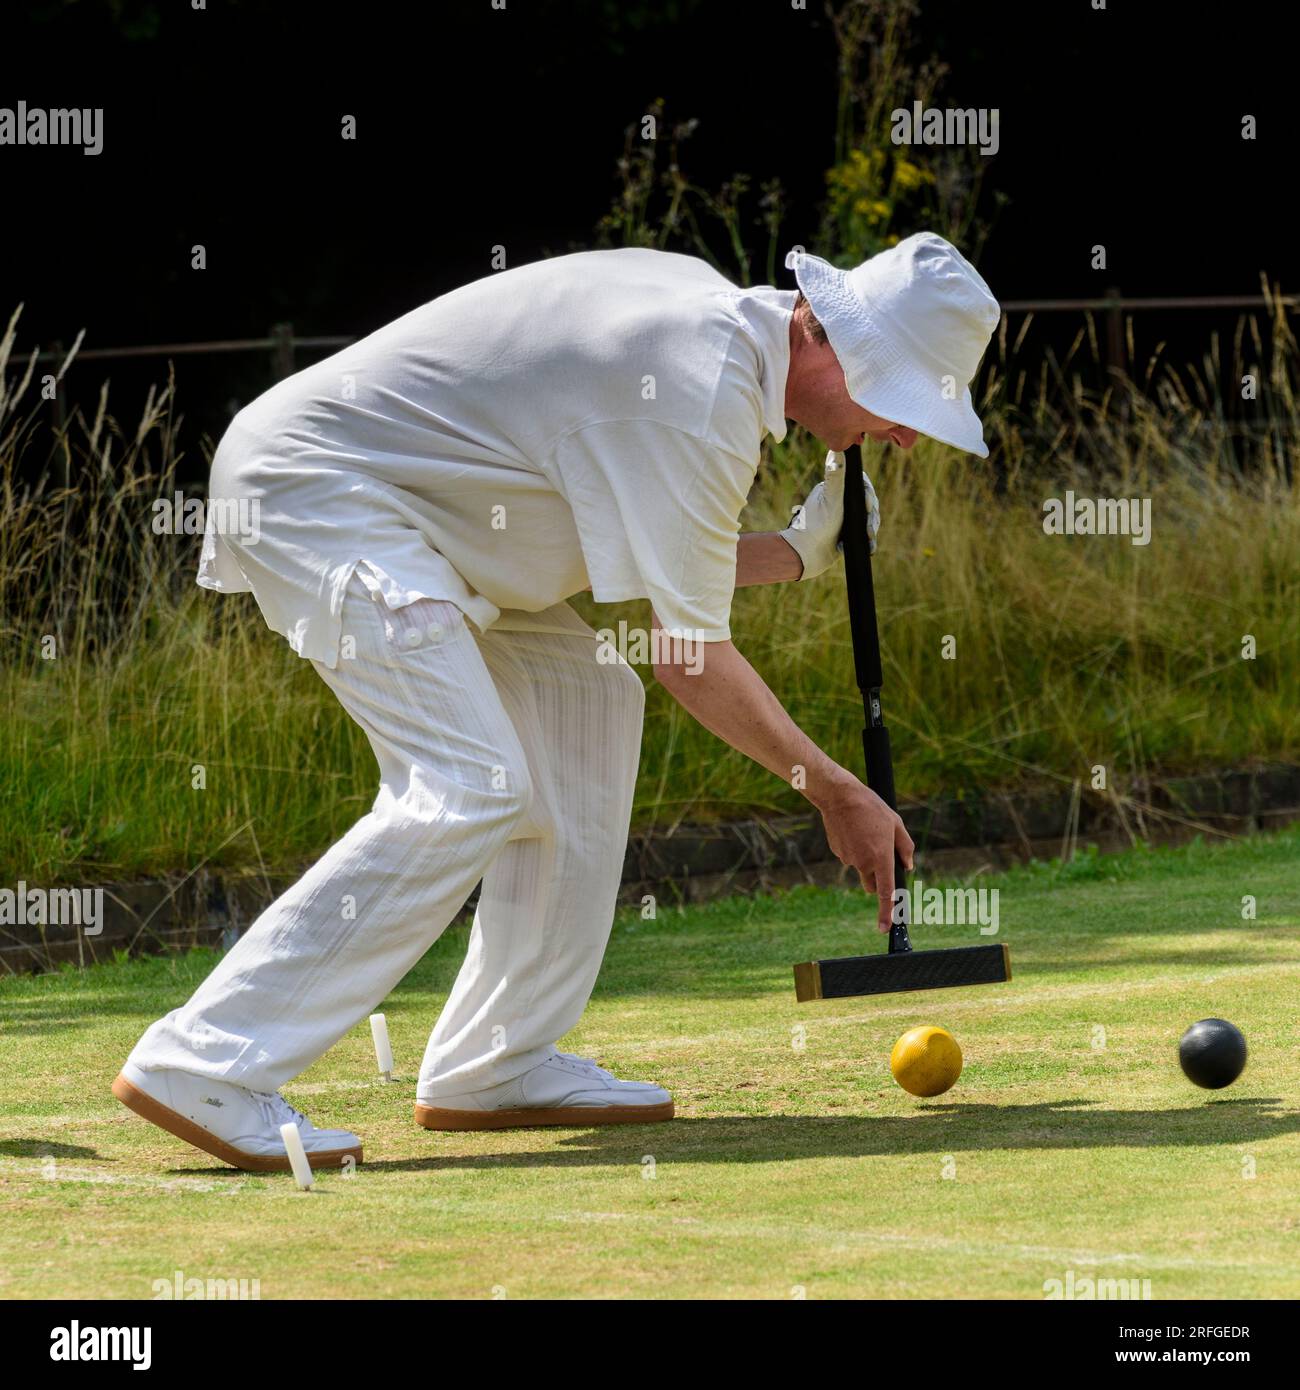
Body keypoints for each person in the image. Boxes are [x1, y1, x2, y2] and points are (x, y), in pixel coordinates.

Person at [112, 232, 999, 1170]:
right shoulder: (702, 391)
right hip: (321, 492)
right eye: (902, 401)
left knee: (590, 695)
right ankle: (205, 1062)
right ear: (829, 339)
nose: (905, 435)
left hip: (429, 531)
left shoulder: (714, 342)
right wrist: (834, 791)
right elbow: (689, 658)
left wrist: (794, 552)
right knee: (469, 781)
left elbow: (664, 564)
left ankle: (498, 1059)